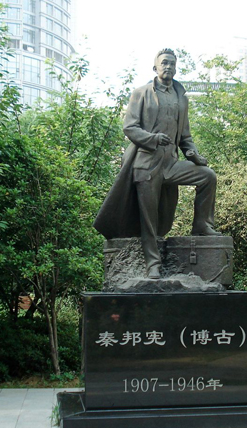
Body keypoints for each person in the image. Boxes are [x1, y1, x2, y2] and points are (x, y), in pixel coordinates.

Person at [93, 48, 220, 279]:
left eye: (172, 63)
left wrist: (193, 154)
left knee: (207, 176)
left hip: (171, 163)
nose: (168, 66)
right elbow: (130, 127)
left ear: (176, 68)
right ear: (155, 68)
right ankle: (153, 263)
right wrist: (152, 139)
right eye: (164, 63)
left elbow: (185, 137)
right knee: (149, 218)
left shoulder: (181, 98)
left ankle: (202, 224)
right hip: (146, 164)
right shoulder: (141, 93)